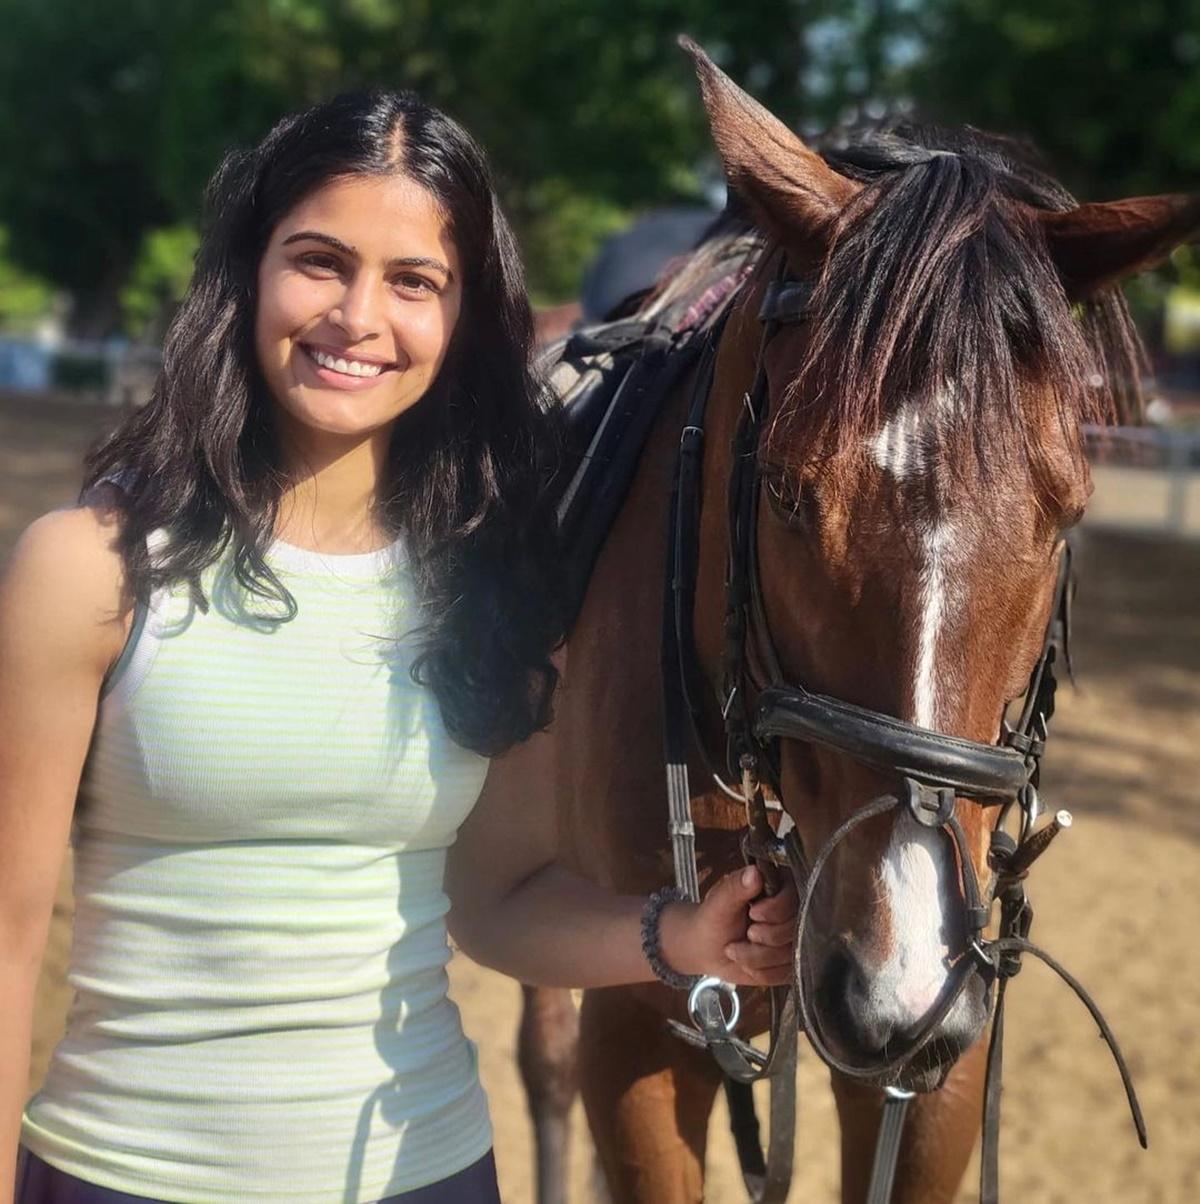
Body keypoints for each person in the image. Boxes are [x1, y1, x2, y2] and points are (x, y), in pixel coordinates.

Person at [0, 90, 797, 1204]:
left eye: (414, 281)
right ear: (245, 274)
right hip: (125, 1174)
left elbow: (494, 904)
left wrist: (683, 936)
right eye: (319, 261)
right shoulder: (89, 568)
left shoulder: (489, 581)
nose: (358, 317)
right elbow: (6, 936)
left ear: (466, 317)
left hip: (426, 1174)